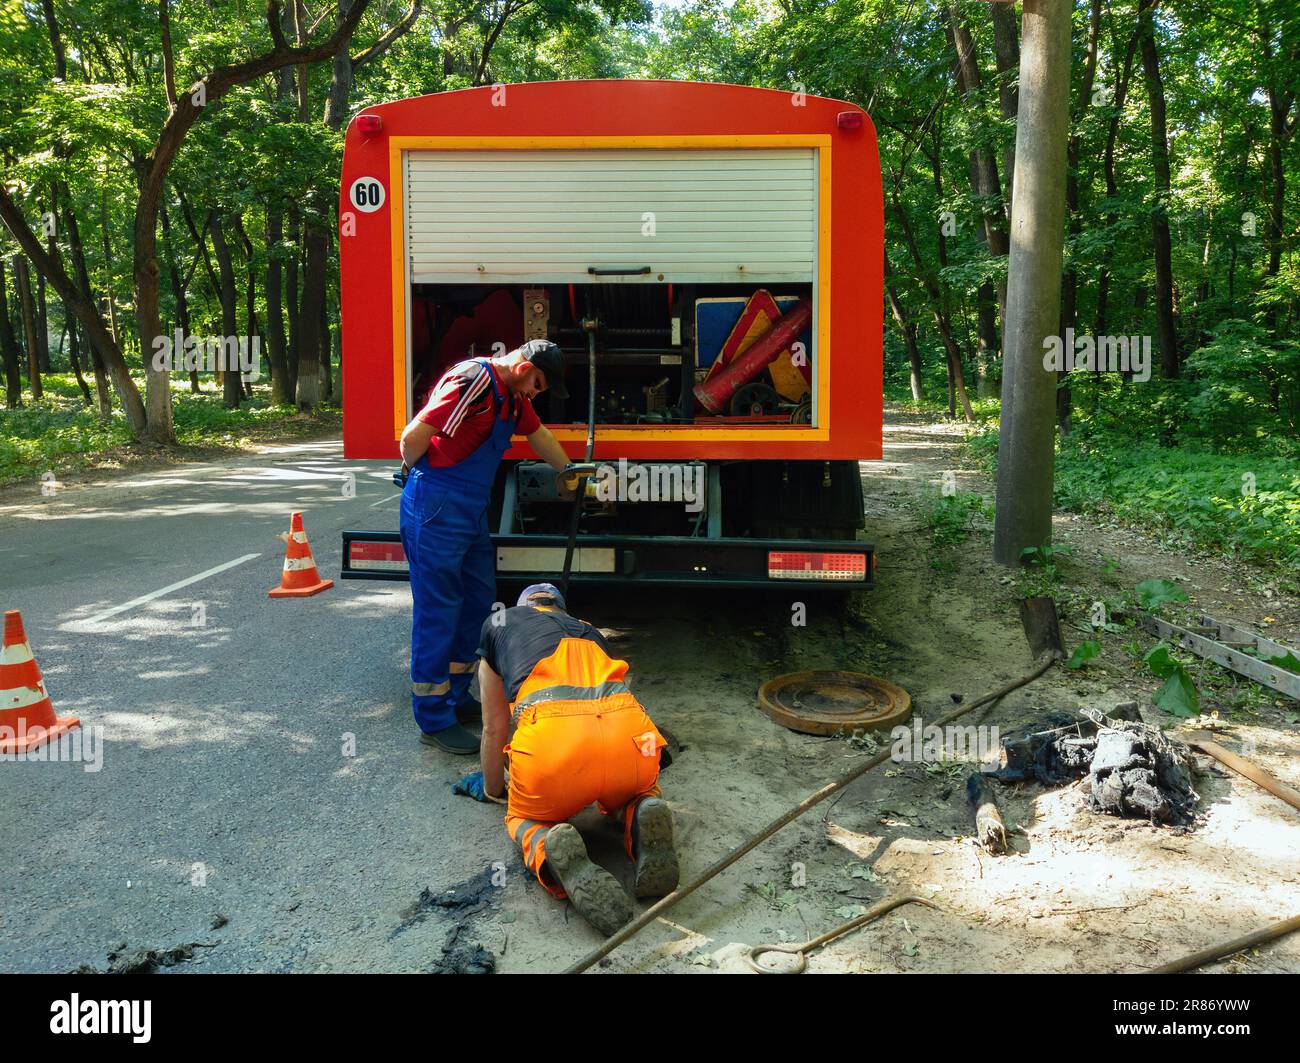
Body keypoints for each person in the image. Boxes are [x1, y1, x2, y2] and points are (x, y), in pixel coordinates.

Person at [452, 583, 679, 935]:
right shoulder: (589, 631)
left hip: (554, 751)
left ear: (524, 606)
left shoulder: (499, 623)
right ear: (560, 609)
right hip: (631, 739)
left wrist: (492, 787)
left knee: (521, 817)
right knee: (638, 792)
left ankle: (546, 845)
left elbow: (494, 727)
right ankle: (640, 813)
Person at [398, 341, 571, 754]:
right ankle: (433, 718)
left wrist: (569, 470)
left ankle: (456, 696)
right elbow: (412, 437)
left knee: (476, 600)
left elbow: (540, 435)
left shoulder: (511, 399)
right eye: (538, 384)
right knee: (438, 608)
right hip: (438, 503)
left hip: (470, 509)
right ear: (524, 367)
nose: (536, 393)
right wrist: (415, 475)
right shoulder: (473, 381)